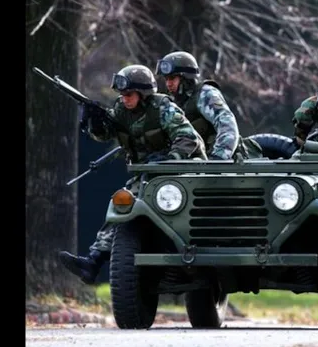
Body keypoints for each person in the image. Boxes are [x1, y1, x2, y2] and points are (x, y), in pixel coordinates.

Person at [58, 64, 207, 285]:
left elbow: (188, 138)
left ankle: (94, 261)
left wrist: (171, 158)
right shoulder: (121, 109)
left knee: (131, 198)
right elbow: (105, 135)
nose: (125, 99)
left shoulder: (163, 108)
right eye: (122, 95)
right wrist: (95, 121)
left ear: (144, 94)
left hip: (184, 170)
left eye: (129, 94)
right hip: (149, 174)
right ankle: (94, 261)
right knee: (122, 205)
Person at [155, 50, 262, 159]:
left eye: (172, 78)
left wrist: (219, 158)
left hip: (227, 162)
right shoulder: (173, 102)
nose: (168, 84)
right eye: (166, 79)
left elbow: (227, 124)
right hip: (198, 163)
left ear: (185, 78)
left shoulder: (205, 94)